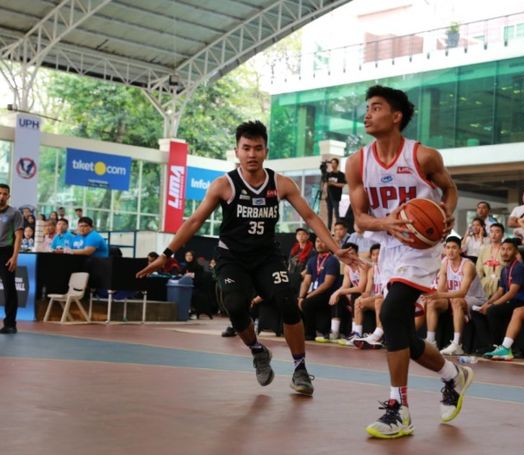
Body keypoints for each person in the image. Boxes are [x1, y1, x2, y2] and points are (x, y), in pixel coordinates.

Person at [137, 120, 359, 397]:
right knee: (235, 304)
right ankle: (257, 350)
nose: (252, 154)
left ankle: (300, 368)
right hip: (232, 258)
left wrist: (335, 248)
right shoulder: (224, 185)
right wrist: (166, 255)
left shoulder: (281, 183)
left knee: (288, 302)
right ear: (237, 151)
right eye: (246, 148)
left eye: (257, 148)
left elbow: (311, 217)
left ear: (266, 151)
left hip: (267, 256)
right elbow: (194, 221)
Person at [346, 85, 472, 439]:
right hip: (388, 248)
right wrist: (387, 224)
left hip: (421, 248)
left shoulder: (424, 157)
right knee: (400, 331)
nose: (367, 114)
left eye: (376, 107)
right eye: (367, 108)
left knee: (389, 315)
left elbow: (449, 189)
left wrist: (445, 214)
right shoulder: (357, 162)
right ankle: (453, 375)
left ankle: (398, 409)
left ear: (396, 116)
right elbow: (360, 219)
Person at [424, 236, 486, 356]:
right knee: (432, 302)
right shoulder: (445, 262)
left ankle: (457, 345)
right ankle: (431, 341)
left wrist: (438, 294)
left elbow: (462, 292)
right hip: (452, 297)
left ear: (460, 250)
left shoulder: (468, 265)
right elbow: (441, 288)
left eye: (454, 248)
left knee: (457, 301)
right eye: (448, 248)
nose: (450, 251)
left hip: (474, 298)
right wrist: (432, 296)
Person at [480, 239, 524, 358]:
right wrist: (487, 303)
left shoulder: (519, 268)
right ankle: (491, 345)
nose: (505, 252)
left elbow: (511, 293)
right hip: (512, 301)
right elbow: (500, 291)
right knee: (480, 311)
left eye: (509, 249)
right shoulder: (504, 269)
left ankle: (501, 346)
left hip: (521, 302)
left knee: (493, 311)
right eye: (503, 249)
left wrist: (493, 306)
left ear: (515, 251)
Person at [299, 238, 343, 342]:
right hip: (316, 293)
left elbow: (327, 284)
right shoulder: (312, 260)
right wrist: (300, 297)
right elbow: (306, 281)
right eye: (317, 241)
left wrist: (310, 295)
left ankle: (310, 334)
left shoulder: (332, 260)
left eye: (322, 241)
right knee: (297, 302)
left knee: (307, 303)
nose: (319, 244)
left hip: (328, 294)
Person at [328, 242, 366, 342]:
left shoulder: (362, 266)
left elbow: (361, 288)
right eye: (347, 255)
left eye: (352, 253)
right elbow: (345, 286)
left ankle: (355, 332)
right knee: (337, 296)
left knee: (353, 294)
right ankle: (334, 332)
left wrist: (340, 292)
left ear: (357, 254)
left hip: (367, 294)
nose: (350, 257)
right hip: (357, 294)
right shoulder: (347, 268)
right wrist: (336, 293)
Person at [0, 184, 23, 334]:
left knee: (9, 288)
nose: (1, 196)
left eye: (4, 194)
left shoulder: (15, 213)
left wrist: (14, 257)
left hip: (5, 252)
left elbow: (19, 236)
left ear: (8, 196)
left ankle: (10, 324)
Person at [475, 223, 505, 297]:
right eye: (491, 232)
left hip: (502, 283)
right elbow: (478, 270)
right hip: (485, 283)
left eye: (497, 232)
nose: (493, 234)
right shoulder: (484, 249)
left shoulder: (506, 249)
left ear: (502, 234)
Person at [324, 158, 346, 229]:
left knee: (336, 213)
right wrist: (325, 194)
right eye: (331, 163)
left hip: (336, 196)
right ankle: (329, 229)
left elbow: (342, 185)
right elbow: (325, 185)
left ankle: (338, 228)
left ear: (337, 164)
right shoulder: (328, 174)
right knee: (329, 213)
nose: (332, 164)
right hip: (329, 197)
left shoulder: (341, 174)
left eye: (334, 163)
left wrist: (333, 184)